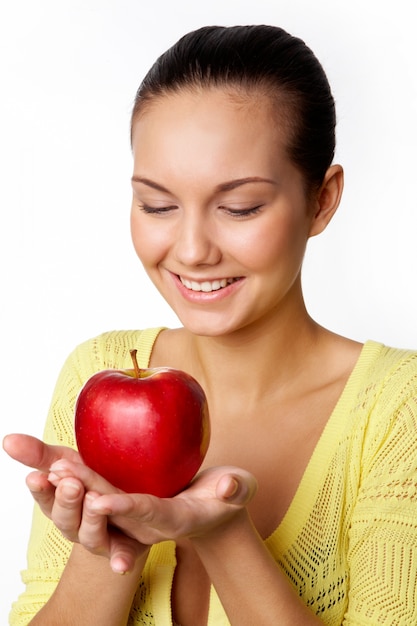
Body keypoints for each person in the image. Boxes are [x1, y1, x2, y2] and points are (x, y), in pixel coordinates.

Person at [3, 24, 417, 626]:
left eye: (239, 207)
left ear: (321, 201)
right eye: (158, 205)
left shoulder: (399, 410)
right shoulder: (95, 372)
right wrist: (112, 536)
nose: (192, 250)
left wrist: (226, 536)